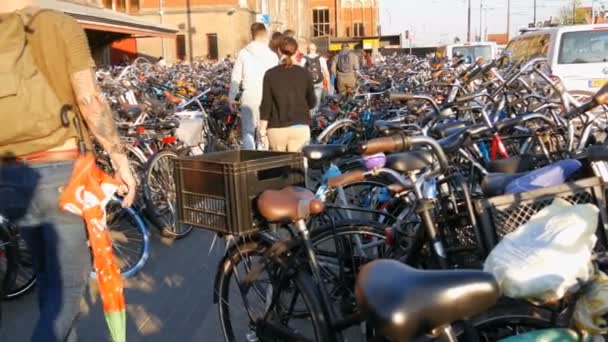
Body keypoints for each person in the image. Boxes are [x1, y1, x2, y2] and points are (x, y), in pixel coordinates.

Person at [0, 6, 136, 342]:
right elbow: (89, 99)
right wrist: (121, 161)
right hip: (61, 172)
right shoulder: (60, 24)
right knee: (69, 290)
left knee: (50, 282)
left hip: (10, 175)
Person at [259, 37, 316, 152]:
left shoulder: (270, 74)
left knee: (280, 167)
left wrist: (262, 130)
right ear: (296, 51)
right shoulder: (304, 73)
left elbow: (266, 105)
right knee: (298, 167)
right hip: (300, 127)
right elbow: (312, 102)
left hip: (277, 128)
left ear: (279, 51)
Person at [229, 23, 279, 150]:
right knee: (265, 130)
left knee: (248, 131)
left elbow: (236, 77)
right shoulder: (272, 56)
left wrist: (232, 98)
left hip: (249, 95)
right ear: (265, 34)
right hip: (268, 96)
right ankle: (264, 160)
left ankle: (249, 160)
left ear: (252, 35)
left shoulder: (243, 53)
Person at [302, 42, 330, 116]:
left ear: (308, 49)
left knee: (308, 101)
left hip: (307, 83)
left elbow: (300, 71)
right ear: (316, 49)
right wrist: (328, 85)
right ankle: (314, 118)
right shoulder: (321, 59)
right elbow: (326, 72)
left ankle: (309, 115)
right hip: (318, 82)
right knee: (317, 101)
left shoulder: (304, 58)